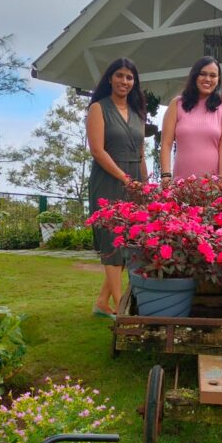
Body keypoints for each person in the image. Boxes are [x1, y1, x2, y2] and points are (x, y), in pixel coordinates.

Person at [86, 58, 148, 317]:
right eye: (120, 75)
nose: (124, 81)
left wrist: (144, 187)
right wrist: (125, 178)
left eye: (129, 77)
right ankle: (123, 309)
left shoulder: (137, 114)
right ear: (110, 78)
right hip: (108, 180)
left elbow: (142, 154)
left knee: (128, 243)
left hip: (134, 181)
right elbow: (98, 151)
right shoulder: (98, 109)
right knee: (112, 243)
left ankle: (102, 303)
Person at [159, 56, 222, 184]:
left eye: (213, 75)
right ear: (194, 76)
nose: (207, 79)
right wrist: (166, 176)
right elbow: (166, 144)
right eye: (203, 74)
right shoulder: (177, 104)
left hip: (211, 186)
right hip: (181, 183)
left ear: (218, 79)